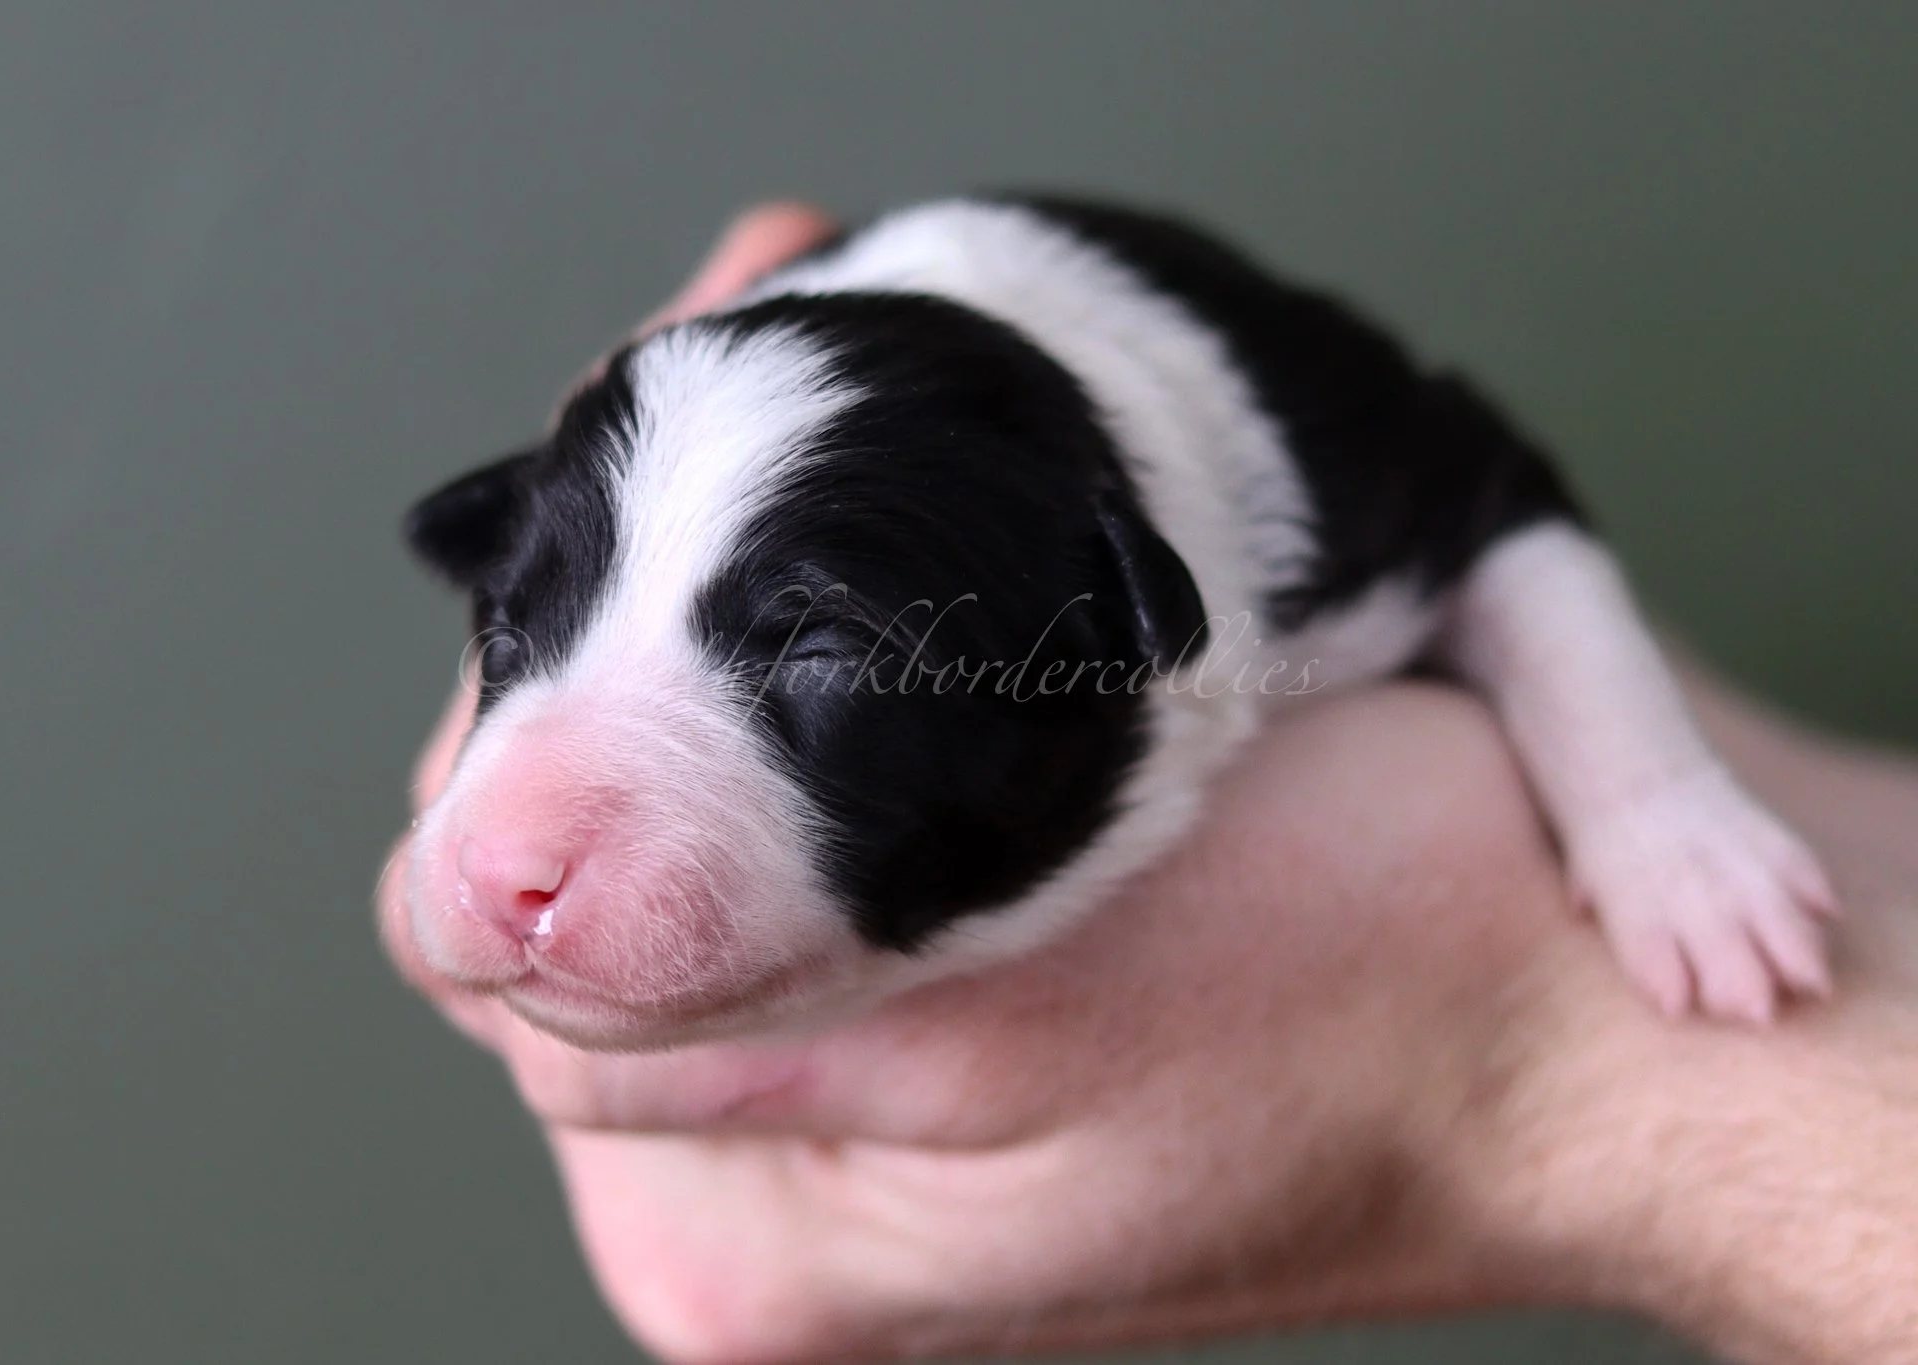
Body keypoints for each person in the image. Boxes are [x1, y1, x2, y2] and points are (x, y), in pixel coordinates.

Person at [377, 205, 1918, 1365]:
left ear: (1126, 631)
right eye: (522, 625)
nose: (510, 844)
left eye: (825, 657)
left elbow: (1504, 532)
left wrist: (1648, 808)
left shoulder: (1314, 487)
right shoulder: (758, 422)